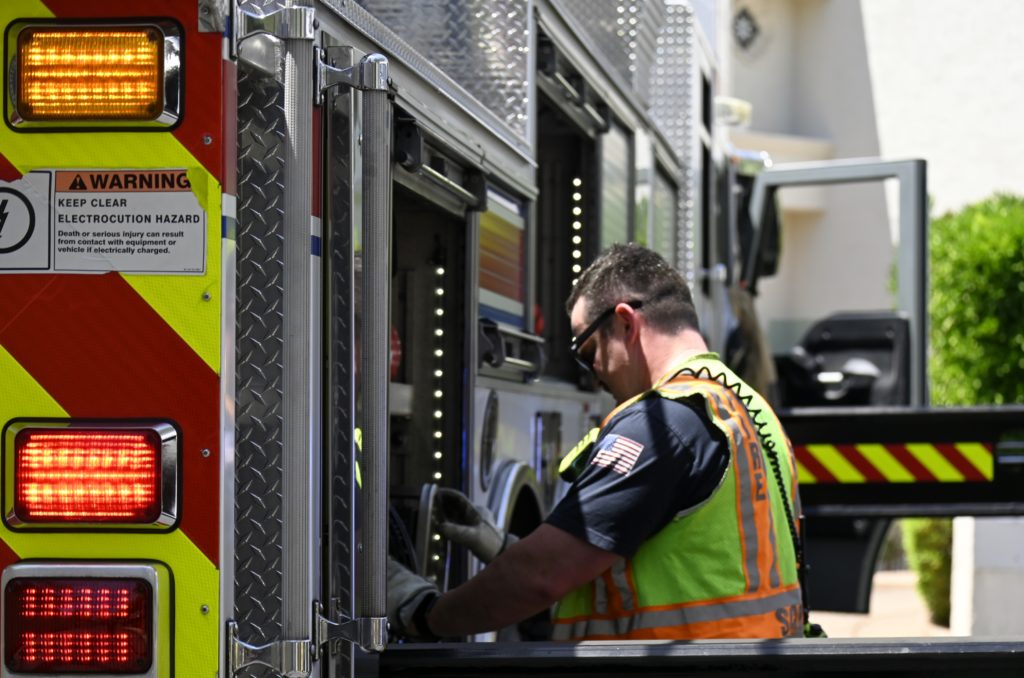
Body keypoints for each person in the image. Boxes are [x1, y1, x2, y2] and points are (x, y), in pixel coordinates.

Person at [388, 243, 806, 640]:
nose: (594, 376)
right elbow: (675, 561)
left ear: (625, 322)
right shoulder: (748, 410)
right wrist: (499, 547)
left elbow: (542, 576)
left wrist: (424, 614)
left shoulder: (660, 424)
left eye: (587, 352)